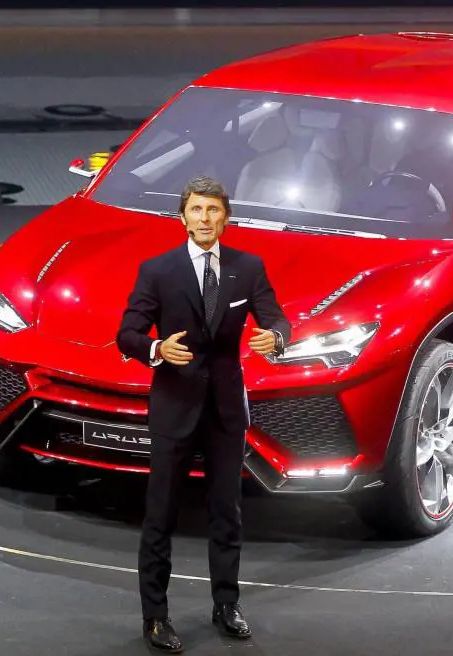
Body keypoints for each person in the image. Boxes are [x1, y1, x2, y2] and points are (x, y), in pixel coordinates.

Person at [116, 175, 291, 653]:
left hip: (225, 411)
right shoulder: (158, 270)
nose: (205, 218)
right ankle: (155, 616)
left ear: (226, 218)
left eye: (213, 210)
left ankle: (226, 605)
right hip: (174, 407)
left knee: (226, 512)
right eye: (196, 209)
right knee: (160, 515)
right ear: (183, 217)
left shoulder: (247, 267)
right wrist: (155, 348)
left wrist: (275, 338)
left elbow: (277, 318)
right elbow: (127, 333)